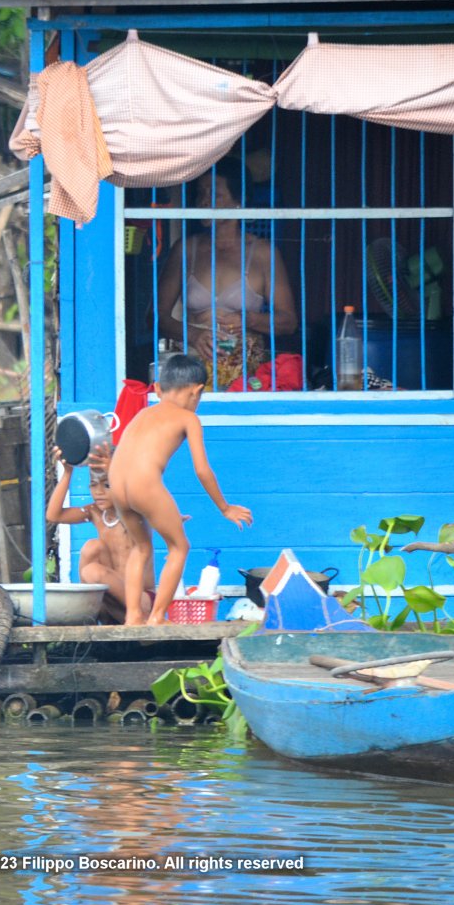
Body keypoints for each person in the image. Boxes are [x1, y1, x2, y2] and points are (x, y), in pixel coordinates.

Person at [106, 354, 253, 625]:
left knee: (140, 548)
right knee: (179, 546)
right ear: (196, 391)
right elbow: (202, 470)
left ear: (160, 388)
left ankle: (133, 616)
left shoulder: (142, 413)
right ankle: (158, 616)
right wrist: (225, 507)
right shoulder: (188, 418)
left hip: (116, 482)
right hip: (144, 482)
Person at [156, 156, 297, 390]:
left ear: (239, 202)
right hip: (193, 376)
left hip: (246, 377)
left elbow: (288, 322)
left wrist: (246, 320)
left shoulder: (263, 254)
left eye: (213, 194)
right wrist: (192, 335)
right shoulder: (186, 249)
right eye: (200, 193)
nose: (203, 202)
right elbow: (155, 317)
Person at [44, 444, 152, 622]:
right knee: (92, 547)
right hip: (112, 598)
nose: (99, 492)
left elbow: (138, 494)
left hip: (142, 600)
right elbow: (53, 515)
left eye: (107, 484)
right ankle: (85, 615)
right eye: (93, 485)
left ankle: (141, 617)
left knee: (92, 571)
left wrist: (115, 471)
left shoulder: (133, 510)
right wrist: (67, 473)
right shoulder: (94, 512)